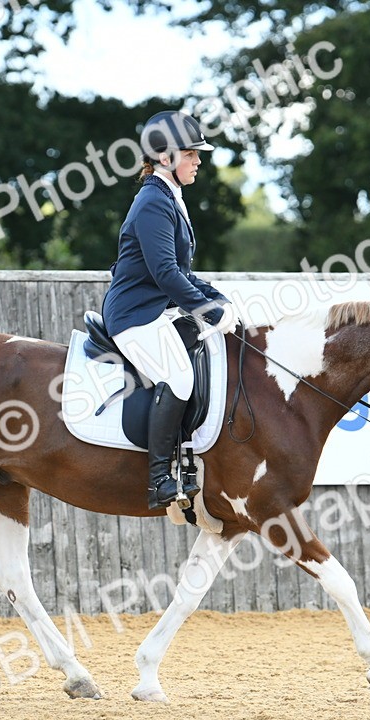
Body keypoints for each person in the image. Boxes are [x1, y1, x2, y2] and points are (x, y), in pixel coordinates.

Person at [102, 110, 239, 509]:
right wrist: (208, 311)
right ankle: (159, 478)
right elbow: (165, 274)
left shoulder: (168, 198)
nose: (198, 160)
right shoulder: (152, 202)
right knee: (179, 378)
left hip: (155, 309)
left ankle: (187, 459)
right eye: (191, 154)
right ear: (166, 157)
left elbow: (182, 272)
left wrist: (219, 301)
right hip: (133, 315)